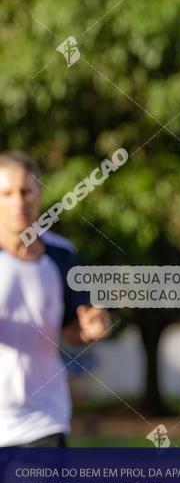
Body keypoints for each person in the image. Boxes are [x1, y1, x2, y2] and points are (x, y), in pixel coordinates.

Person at [0, 151, 111, 448]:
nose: (18, 202)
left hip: (41, 420)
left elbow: (74, 329)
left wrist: (93, 327)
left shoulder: (62, 255)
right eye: (6, 193)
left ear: (39, 193)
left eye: (26, 191)